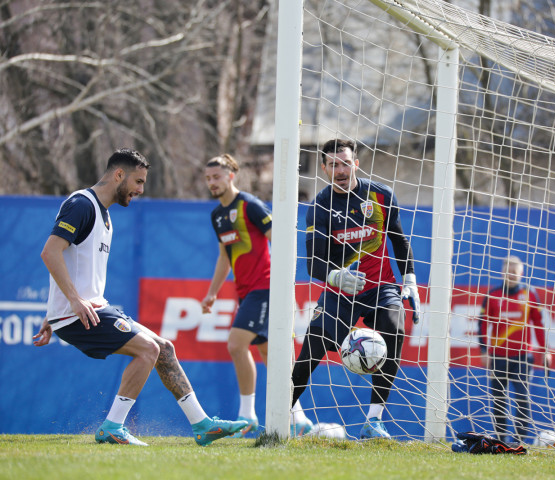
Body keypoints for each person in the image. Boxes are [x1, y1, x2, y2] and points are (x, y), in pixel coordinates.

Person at [33, 148, 247, 446]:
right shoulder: (82, 204)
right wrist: (68, 303)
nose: (140, 190)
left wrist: (53, 311)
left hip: (83, 309)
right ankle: (112, 426)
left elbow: (73, 266)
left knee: (164, 348)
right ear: (118, 174)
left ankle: (203, 425)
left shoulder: (105, 216)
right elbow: (50, 252)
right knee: (148, 350)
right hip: (77, 313)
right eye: (138, 181)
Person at [291, 139, 420, 439]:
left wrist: (410, 279)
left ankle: (373, 421)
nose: (340, 170)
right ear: (323, 168)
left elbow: (399, 241)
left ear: (356, 164)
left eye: (345, 163)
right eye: (333, 165)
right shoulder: (320, 207)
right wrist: (336, 278)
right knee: (311, 350)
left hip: (380, 286)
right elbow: (314, 263)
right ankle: (279, 415)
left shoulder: (381, 195)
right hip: (341, 292)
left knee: (395, 328)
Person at [201, 154, 313, 437]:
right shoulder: (217, 216)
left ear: (231, 176)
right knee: (268, 353)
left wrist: (284, 280)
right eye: (208, 178)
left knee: (236, 344)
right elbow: (224, 258)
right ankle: (299, 418)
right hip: (245, 291)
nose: (212, 182)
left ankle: (247, 415)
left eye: (217, 176)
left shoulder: (249, 205)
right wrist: (212, 293)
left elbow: (281, 239)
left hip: (265, 288)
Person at [478, 255, 551, 444]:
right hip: (498, 357)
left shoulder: (530, 294)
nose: (510, 275)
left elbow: (539, 324)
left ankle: (518, 442)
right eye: (507, 271)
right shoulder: (492, 296)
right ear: (502, 272)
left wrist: (545, 350)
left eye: (514, 271)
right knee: (499, 400)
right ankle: (501, 440)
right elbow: (482, 325)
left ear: (521, 273)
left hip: (523, 357)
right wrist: (484, 350)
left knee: (522, 399)